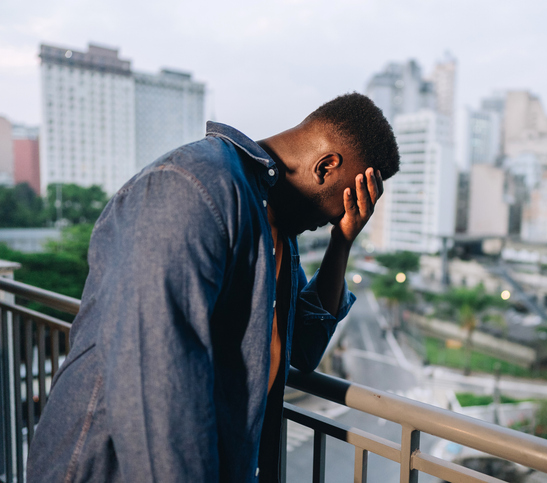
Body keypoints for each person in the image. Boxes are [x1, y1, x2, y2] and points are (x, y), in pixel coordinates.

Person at [27, 93, 400, 482]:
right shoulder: (190, 189)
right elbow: (157, 397)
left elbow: (304, 349)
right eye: (342, 207)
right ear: (325, 166)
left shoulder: (276, 231)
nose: (332, 219)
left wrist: (342, 242)